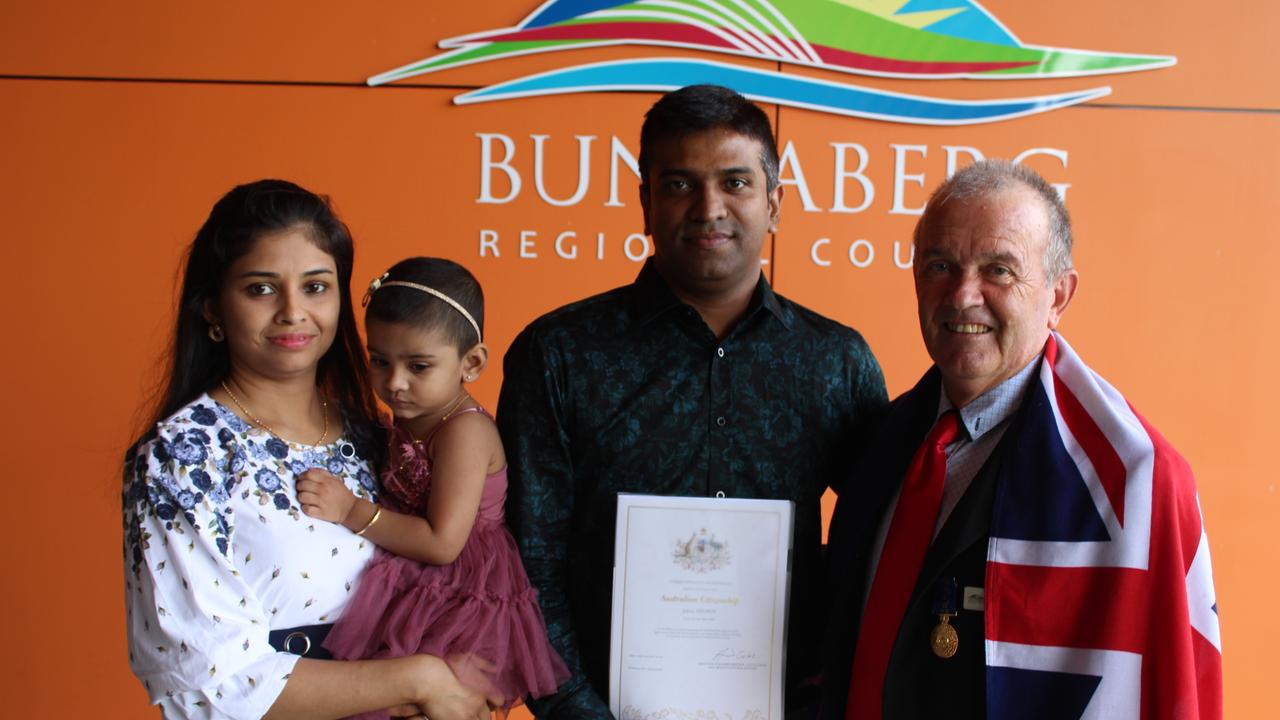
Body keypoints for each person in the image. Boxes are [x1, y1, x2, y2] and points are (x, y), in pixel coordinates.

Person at [496, 84, 889, 718]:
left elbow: (879, 548)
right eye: (680, 185)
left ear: (775, 205)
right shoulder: (559, 354)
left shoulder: (835, 361)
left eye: (735, 183)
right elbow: (529, 558)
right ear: (645, 203)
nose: (710, 208)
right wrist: (578, 710)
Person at [819, 160, 1222, 719]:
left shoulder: (1137, 481)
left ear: (1058, 296)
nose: (962, 296)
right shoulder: (879, 439)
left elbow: (1168, 688)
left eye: (1000, 270)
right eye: (940, 265)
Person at [123, 180, 491, 720]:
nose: (294, 312)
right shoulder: (184, 455)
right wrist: (421, 679)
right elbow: (209, 682)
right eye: (261, 289)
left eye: (316, 287)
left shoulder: (377, 437)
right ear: (213, 309)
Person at [296, 257, 570, 717]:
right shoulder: (409, 416)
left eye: (419, 366)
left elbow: (442, 542)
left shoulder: (463, 432)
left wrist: (350, 511)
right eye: (379, 361)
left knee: (433, 703)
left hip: (461, 594)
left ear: (472, 362)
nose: (395, 383)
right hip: (414, 579)